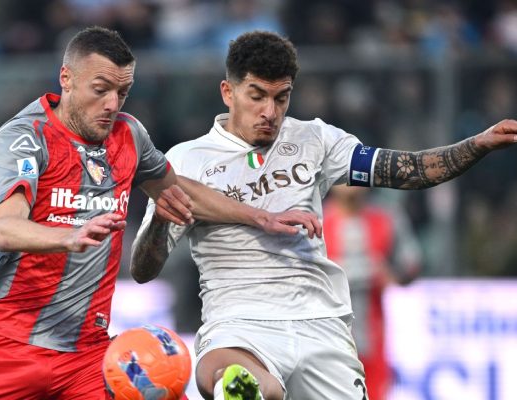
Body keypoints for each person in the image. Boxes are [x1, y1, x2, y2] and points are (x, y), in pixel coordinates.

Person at [0, 27, 320, 400]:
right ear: (66, 79)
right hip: (7, 343)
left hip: (87, 355)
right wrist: (69, 236)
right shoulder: (24, 138)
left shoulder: (129, 136)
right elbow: (6, 228)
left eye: (123, 92)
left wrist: (259, 216)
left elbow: (179, 190)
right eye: (100, 90)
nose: (112, 104)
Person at [130, 30, 517, 400]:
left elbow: (410, 170)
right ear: (228, 92)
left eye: (281, 98)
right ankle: (245, 387)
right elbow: (144, 270)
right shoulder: (187, 161)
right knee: (226, 374)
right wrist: (161, 220)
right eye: (257, 96)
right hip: (240, 322)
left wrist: (477, 144)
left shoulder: (316, 139)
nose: (270, 112)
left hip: (321, 324)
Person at [323, 185, 422, 400]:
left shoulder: (385, 218)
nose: (348, 182)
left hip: (374, 334)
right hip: (327, 336)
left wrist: (389, 275)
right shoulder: (316, 221)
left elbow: (411, 263)